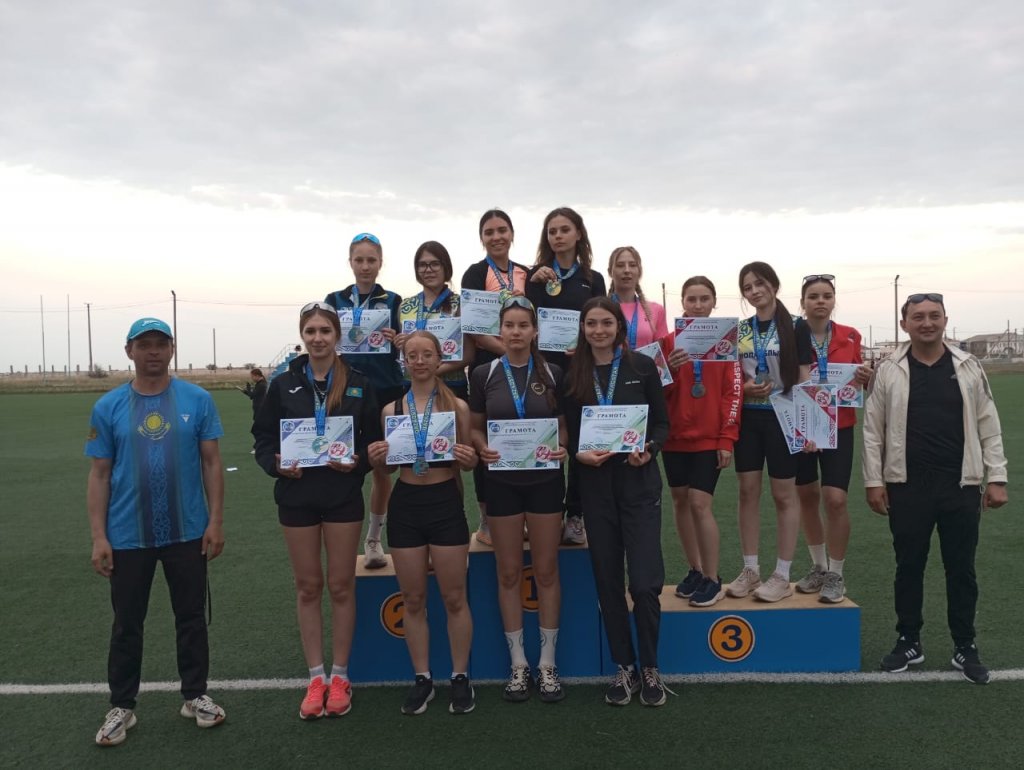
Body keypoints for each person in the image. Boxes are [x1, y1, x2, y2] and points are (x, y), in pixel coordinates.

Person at [86, 317, 226, 746]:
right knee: (127, 623)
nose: (152, 352)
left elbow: (211, 463)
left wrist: (215, 521)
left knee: (191, 618)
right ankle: (122, 706)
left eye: (160, 344)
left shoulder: (197, 399)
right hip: (128, 534)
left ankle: (195, 695)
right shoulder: (108, 406)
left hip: (187, 531)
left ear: (171, 349)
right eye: (143, 344)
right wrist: (99, 536)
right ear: (129, 350)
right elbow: (99, 474)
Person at [863, 293, 1008, 684]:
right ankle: (909, 640)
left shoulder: (969, 366)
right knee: (908, 566)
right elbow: (873, 430)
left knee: (961, 569)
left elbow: (989, 424)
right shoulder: (889, 369)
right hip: (907, 485)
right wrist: (874, 481)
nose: (926, 323)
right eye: (918, 317)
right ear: (904, 324)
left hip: (960, 484)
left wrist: (996, 477)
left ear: (945, 320)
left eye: (933, 316)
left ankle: (965, 645)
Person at [252, 302, 381, 718]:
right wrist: (275, 464)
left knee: (341, 586)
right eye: (311, 331)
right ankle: (315, 677)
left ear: (337, 335)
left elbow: (374, 442)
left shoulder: (358, 383)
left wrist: (357, 462)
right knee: (308, 587)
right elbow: (264, 439)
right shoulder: (282, 384)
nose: (318, 338)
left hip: (342, 495)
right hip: (296, 497)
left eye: (325, 330)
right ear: (302, 335)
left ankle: (340, 676)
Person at [564, 297, 672, 707]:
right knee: (608, 582)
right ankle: (624, 666)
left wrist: (650, 448)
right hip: (596, 488)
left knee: (644, 583)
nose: (599, 330)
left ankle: (651, 667)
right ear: (583, 328)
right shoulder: (573, 374)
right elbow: (567, 433)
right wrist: (578, 454)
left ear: (618, 327)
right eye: (591, 323)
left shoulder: (642, 367)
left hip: (638, 484)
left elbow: (661, 423)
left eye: (606, 323)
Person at [367, 331, 478, 715]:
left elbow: (468, 462)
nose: (419, 361)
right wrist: (378, 458)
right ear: (404, 361)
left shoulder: (457, 407)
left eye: (426, 354)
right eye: (412, 355)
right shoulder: (391, 410)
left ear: (438, 359)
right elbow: (387, 468)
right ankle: (423, 679)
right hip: (406, 505)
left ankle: (460, 677)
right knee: (413, 599)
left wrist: (469, 459)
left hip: (445, 502)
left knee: (454, 597)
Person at [469, 296, 569, 703]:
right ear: (500, 330)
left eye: (523, 325)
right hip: (502, 483)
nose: (515, 332)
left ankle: (547, 663)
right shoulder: (483, 373)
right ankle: (518, 664)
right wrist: (482, 447)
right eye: (509, 325)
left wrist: (562, 446)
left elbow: (563, 425)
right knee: (508, 573)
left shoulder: (553, 372)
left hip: (545, 481)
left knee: (546, 571)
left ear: (535, 331)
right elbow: (475, 427)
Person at [727, 262, 813, 602]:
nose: (754, 291)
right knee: (747, 491)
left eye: (759, 283)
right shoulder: (740, 330)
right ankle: (751, 569)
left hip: (784, 417)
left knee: (783, 496)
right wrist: (745, 388)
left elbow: (804, 377)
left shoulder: (797, 326)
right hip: (749, 418)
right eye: (747, 287)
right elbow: (733, 376)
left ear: (774, 285)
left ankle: (782, 575)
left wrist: (808, 425)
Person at [659, 277, 742, 607]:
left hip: (709, 439)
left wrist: (726, 438)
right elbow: (658, 391)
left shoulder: (725, 341)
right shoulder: (669, 342)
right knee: (680, 502)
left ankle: (712, 577)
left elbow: (732, 392)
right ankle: (695, 569)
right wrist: (670, 370)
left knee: (699, 503)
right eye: (691, 299)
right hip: (674, 439)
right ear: (682, 302)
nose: (697, 305)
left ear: (713, 302)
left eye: (704, 299)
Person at [526, 207, 607, 545]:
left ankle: (575, 515)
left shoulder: (593, 278)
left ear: (578, 234)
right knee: (547, 440)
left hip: (579, 371)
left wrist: (584, 347)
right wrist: (534, 285)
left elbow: (600, 322)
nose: (557, 236)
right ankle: (543, 513)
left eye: (564, 229)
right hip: (543, 372)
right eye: (552, 231)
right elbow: (527, 322)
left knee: (577, 442)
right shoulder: (537, 276)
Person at [324, 232, 402, 569]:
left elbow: (405, 345)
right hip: (346, 392)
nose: (365, 266)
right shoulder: (334, 299)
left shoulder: (394, 300)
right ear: (350, 262)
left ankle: (373, 539)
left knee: (382, 467)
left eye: (371, 260)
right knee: (343, 463)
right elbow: (325, 339)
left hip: (385, 391)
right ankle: (342, 541)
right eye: (360, 260)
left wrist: (398, 340)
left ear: (380, 262)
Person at [793, 275, 872, 603]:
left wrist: (866, 376)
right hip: (802, 425)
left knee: (836, 499)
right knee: (807, 496)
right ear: (803, 302)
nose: (820, 301)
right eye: (813, 296)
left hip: (839, 425)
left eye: (826, 296)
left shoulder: (850, 335)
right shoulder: (791, 335)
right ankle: (819, 567)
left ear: (834, 300)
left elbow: (857, 381)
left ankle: (836, 573)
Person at [461, 209, 530, 546]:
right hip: (488, 368)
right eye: (489, 232)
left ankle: (526, 512)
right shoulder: (475, 273)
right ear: (482, 238)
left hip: (525, 367)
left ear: (512, 234)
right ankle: (487, 518)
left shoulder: (526, 272)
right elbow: (474, 328)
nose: (497, 237)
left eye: (502, 230)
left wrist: (522, 354)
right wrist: (510, 352)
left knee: (524, 434)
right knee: (485, 440)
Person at [395, 242, 471, 400]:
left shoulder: (462, 304)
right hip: (413, 387)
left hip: (452, 386)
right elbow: (402, 355)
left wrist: (430, 372)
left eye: (435, 264)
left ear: (446, 267)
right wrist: (399, 343)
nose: (428, 270)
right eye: (422, 265)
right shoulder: (405, 306)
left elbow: (469, 354)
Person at [607, 246, 668, 349]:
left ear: (639, 271)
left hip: (646, 360)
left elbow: (660, 353)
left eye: (632, 265)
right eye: (620, 265)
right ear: (610, 272)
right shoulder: (600, 309)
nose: (627, 270)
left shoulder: (656, 310)